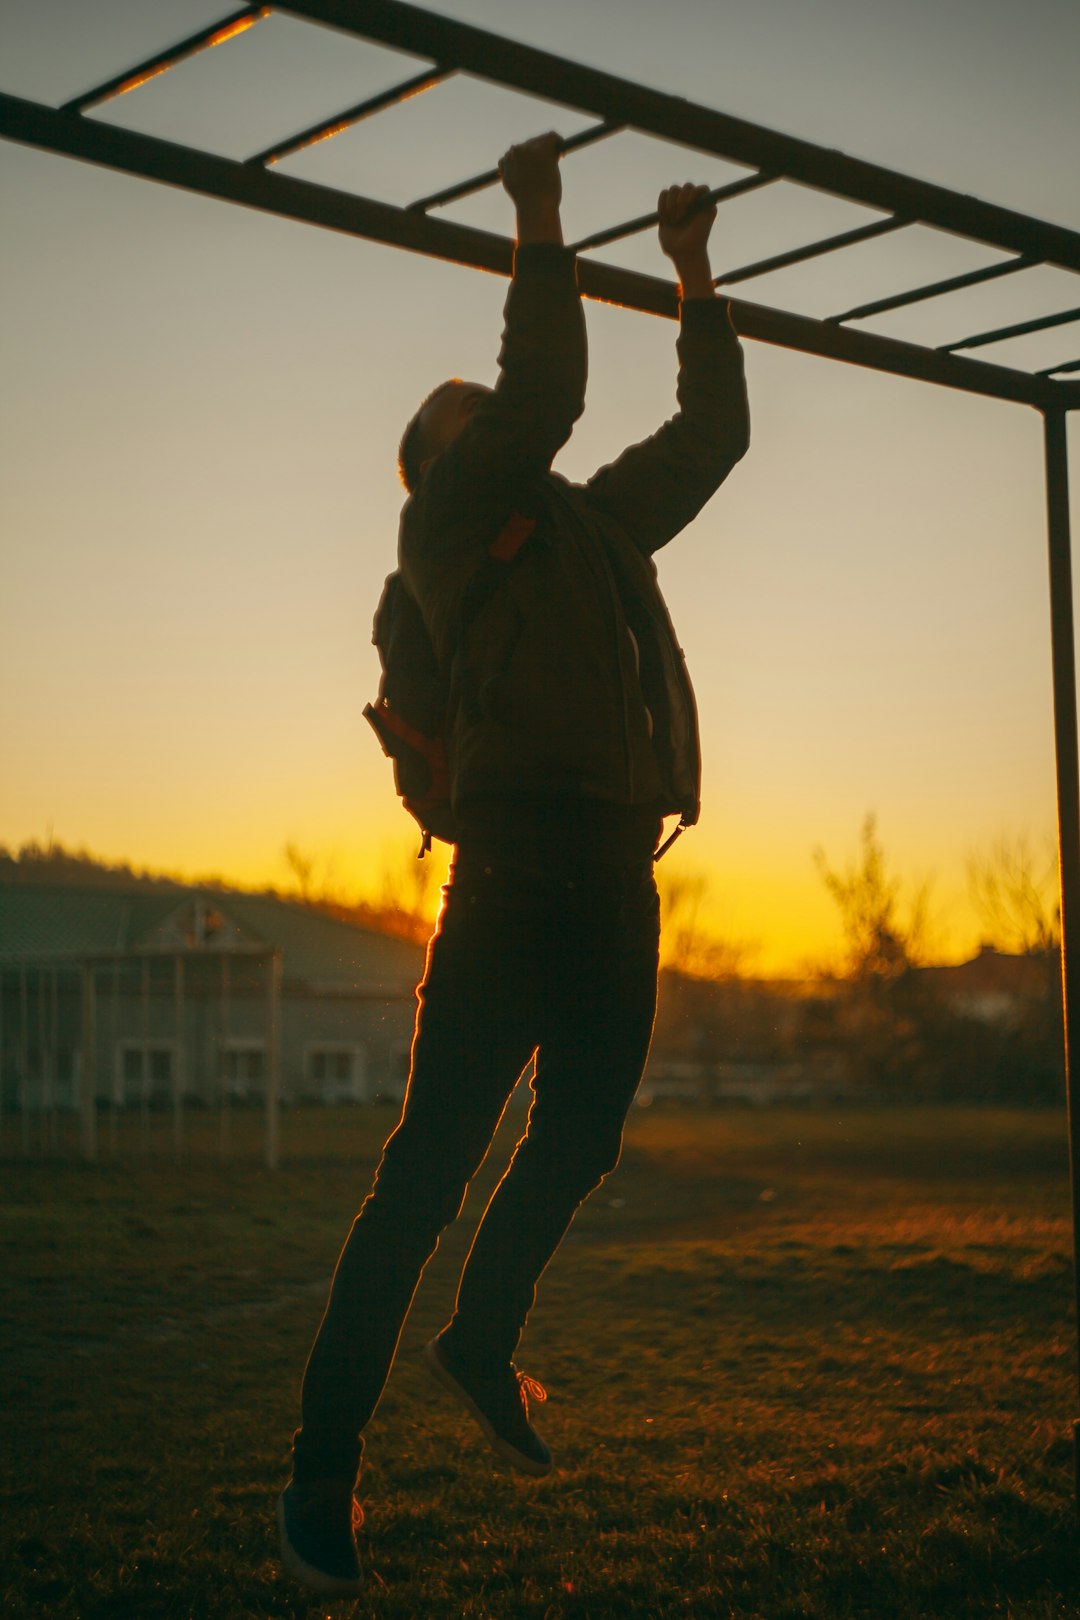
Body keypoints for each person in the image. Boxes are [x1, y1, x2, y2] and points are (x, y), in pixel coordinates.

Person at [277, 132, 750, 1597]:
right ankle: (322, 1472)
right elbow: (543, 385)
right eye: (465, 414)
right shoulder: (438, 524)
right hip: (512, 870)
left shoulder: (591, 526)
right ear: (435, 461)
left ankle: (482, 1337)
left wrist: (692, 272)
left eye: (485, 408)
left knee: (585, 1131)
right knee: (422, 1176)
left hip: (617, 865)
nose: (492, 413)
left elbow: (710, 440)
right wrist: (543, 217)